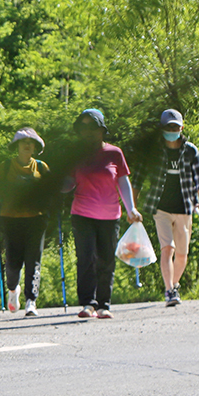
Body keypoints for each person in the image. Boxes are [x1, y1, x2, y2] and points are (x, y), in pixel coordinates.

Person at [67, 108, 141, 319]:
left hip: (110, 216)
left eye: (93, 128)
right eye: (83, 128)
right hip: (82, 214)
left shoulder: (114, 153)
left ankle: (103, 304)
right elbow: (69, 183)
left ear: (102, 131)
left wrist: (131, 209)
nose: (88, 132)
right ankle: (87, 303)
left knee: (106, 259)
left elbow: (123, 181)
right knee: (86, 258)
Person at [136, 109, 199, 307]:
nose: (172, 130)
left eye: (175, 127)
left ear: (181, 128)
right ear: (162, 129)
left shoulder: (191, 150)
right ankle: (169, 290)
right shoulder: (153, 151)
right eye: (169, 127)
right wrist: (132, 207)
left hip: (185, 207)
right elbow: (138, 179)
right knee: (167, 248)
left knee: (182, 255)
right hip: (161, 208)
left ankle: (174, 285)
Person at [0, 127, 50, 316]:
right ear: (17, 146)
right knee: (12, 263)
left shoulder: (42, 168)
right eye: (23, 142)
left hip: (36, 220)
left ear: (35, 148)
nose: (27, 145)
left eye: (31, 143)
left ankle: (31, 301)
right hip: (10, 220)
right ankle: (13, 290)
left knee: (33, 260)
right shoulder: (4, 167)